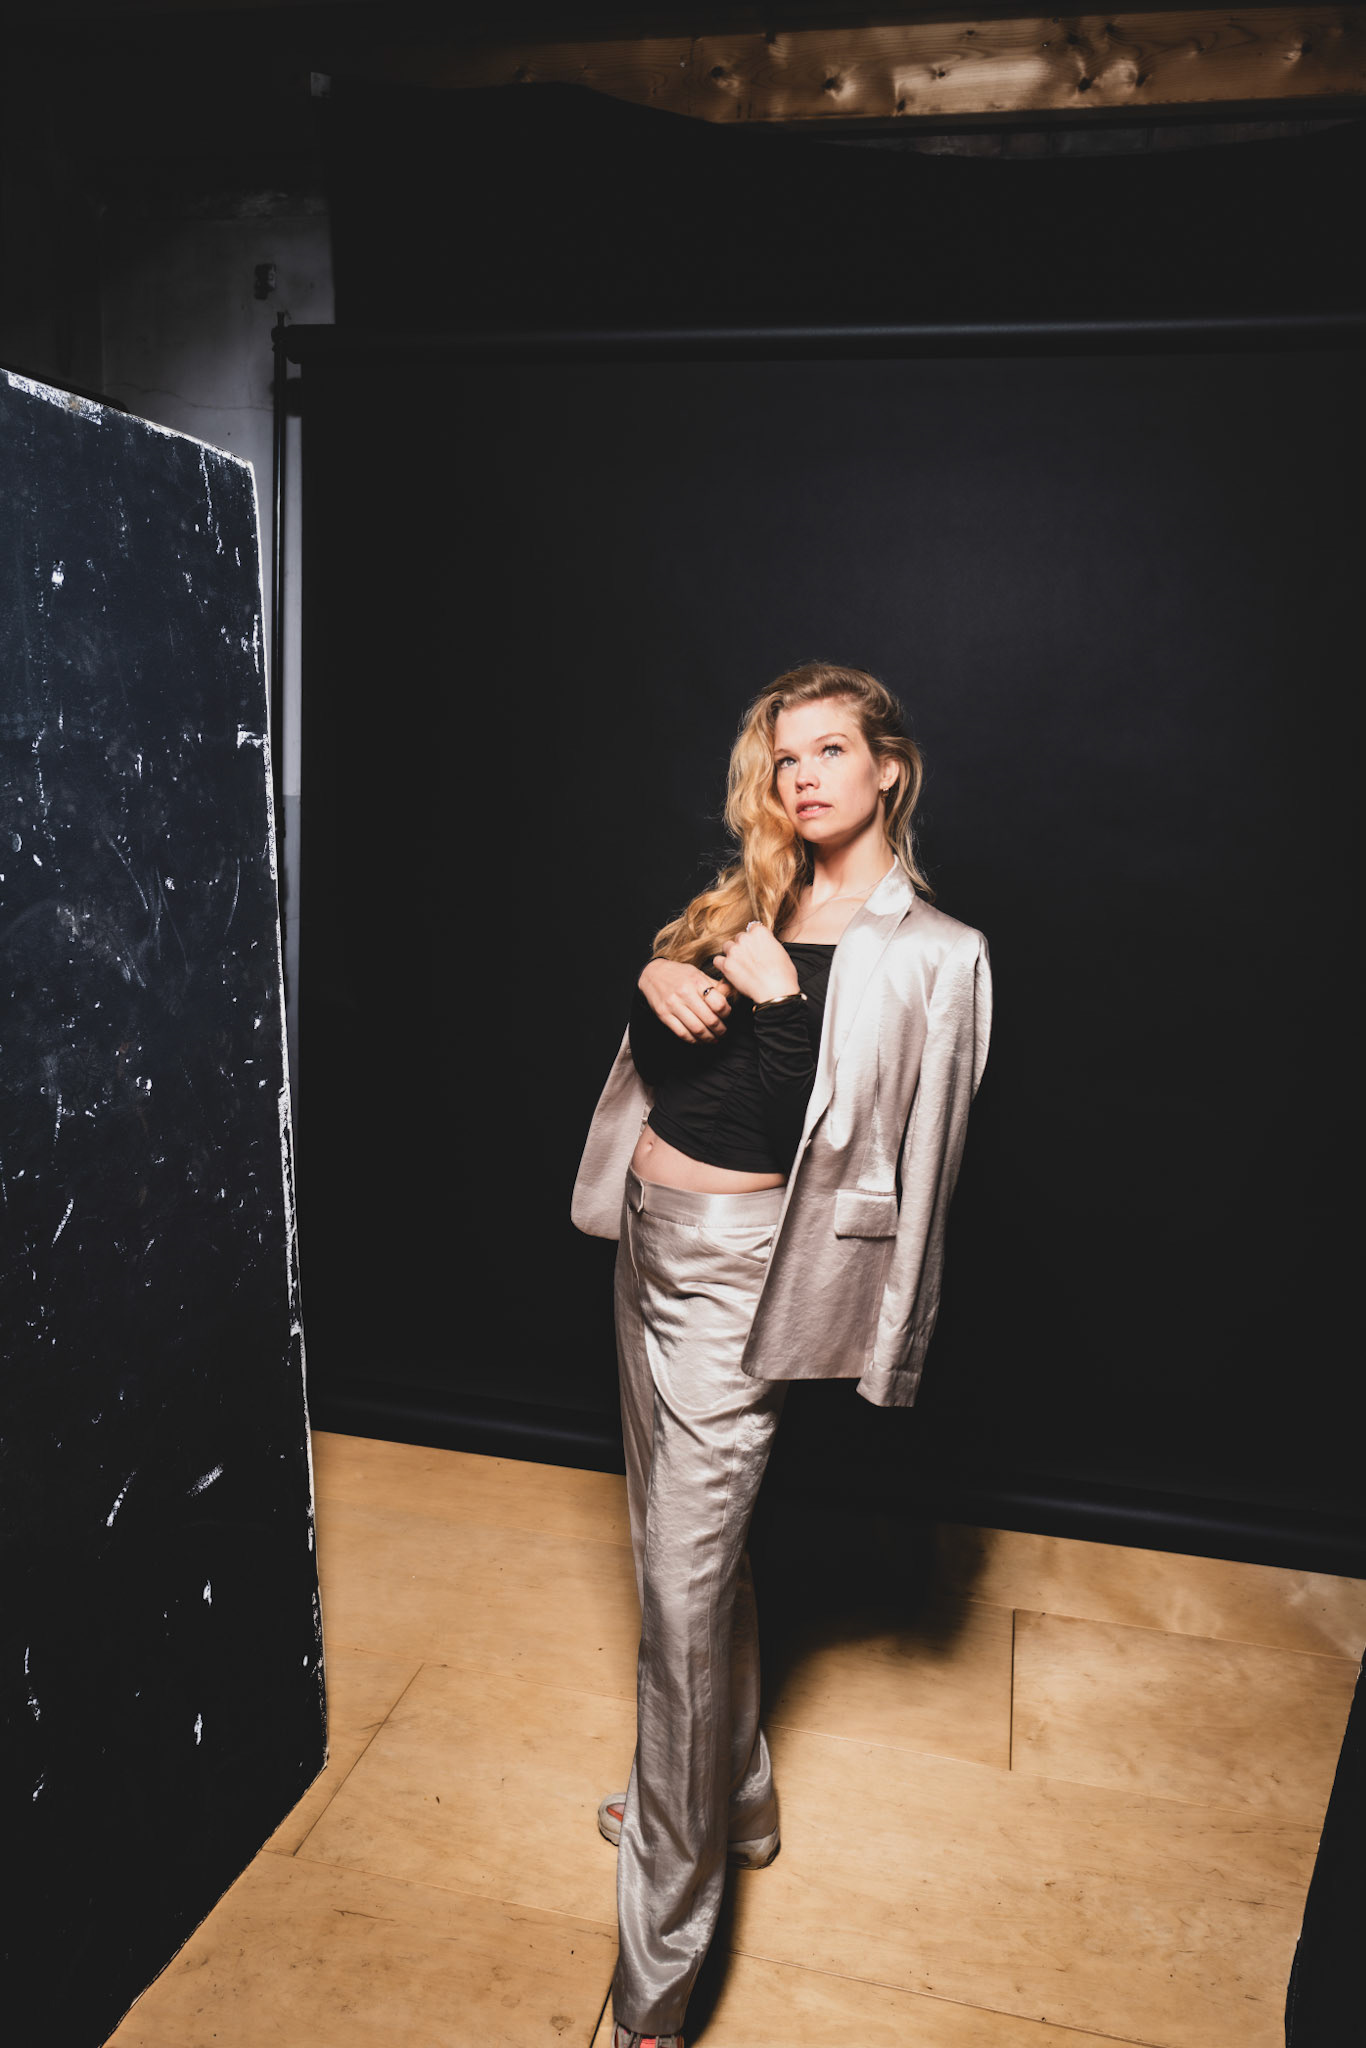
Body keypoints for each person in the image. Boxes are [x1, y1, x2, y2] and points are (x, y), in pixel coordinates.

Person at [571, 660, 993, 2048]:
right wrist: (661, 975)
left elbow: (900, 1151)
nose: (803, 777)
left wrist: (786, 1003)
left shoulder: (936, 952)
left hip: (742, 1279)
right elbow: (688, 1065)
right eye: (783, 756)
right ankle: (730, 1799)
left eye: (830, 751)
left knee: (679, 1599)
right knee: (680, 1552)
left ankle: (657, 1973)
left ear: (888, 768)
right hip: (647, 1239)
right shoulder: (749, 900)